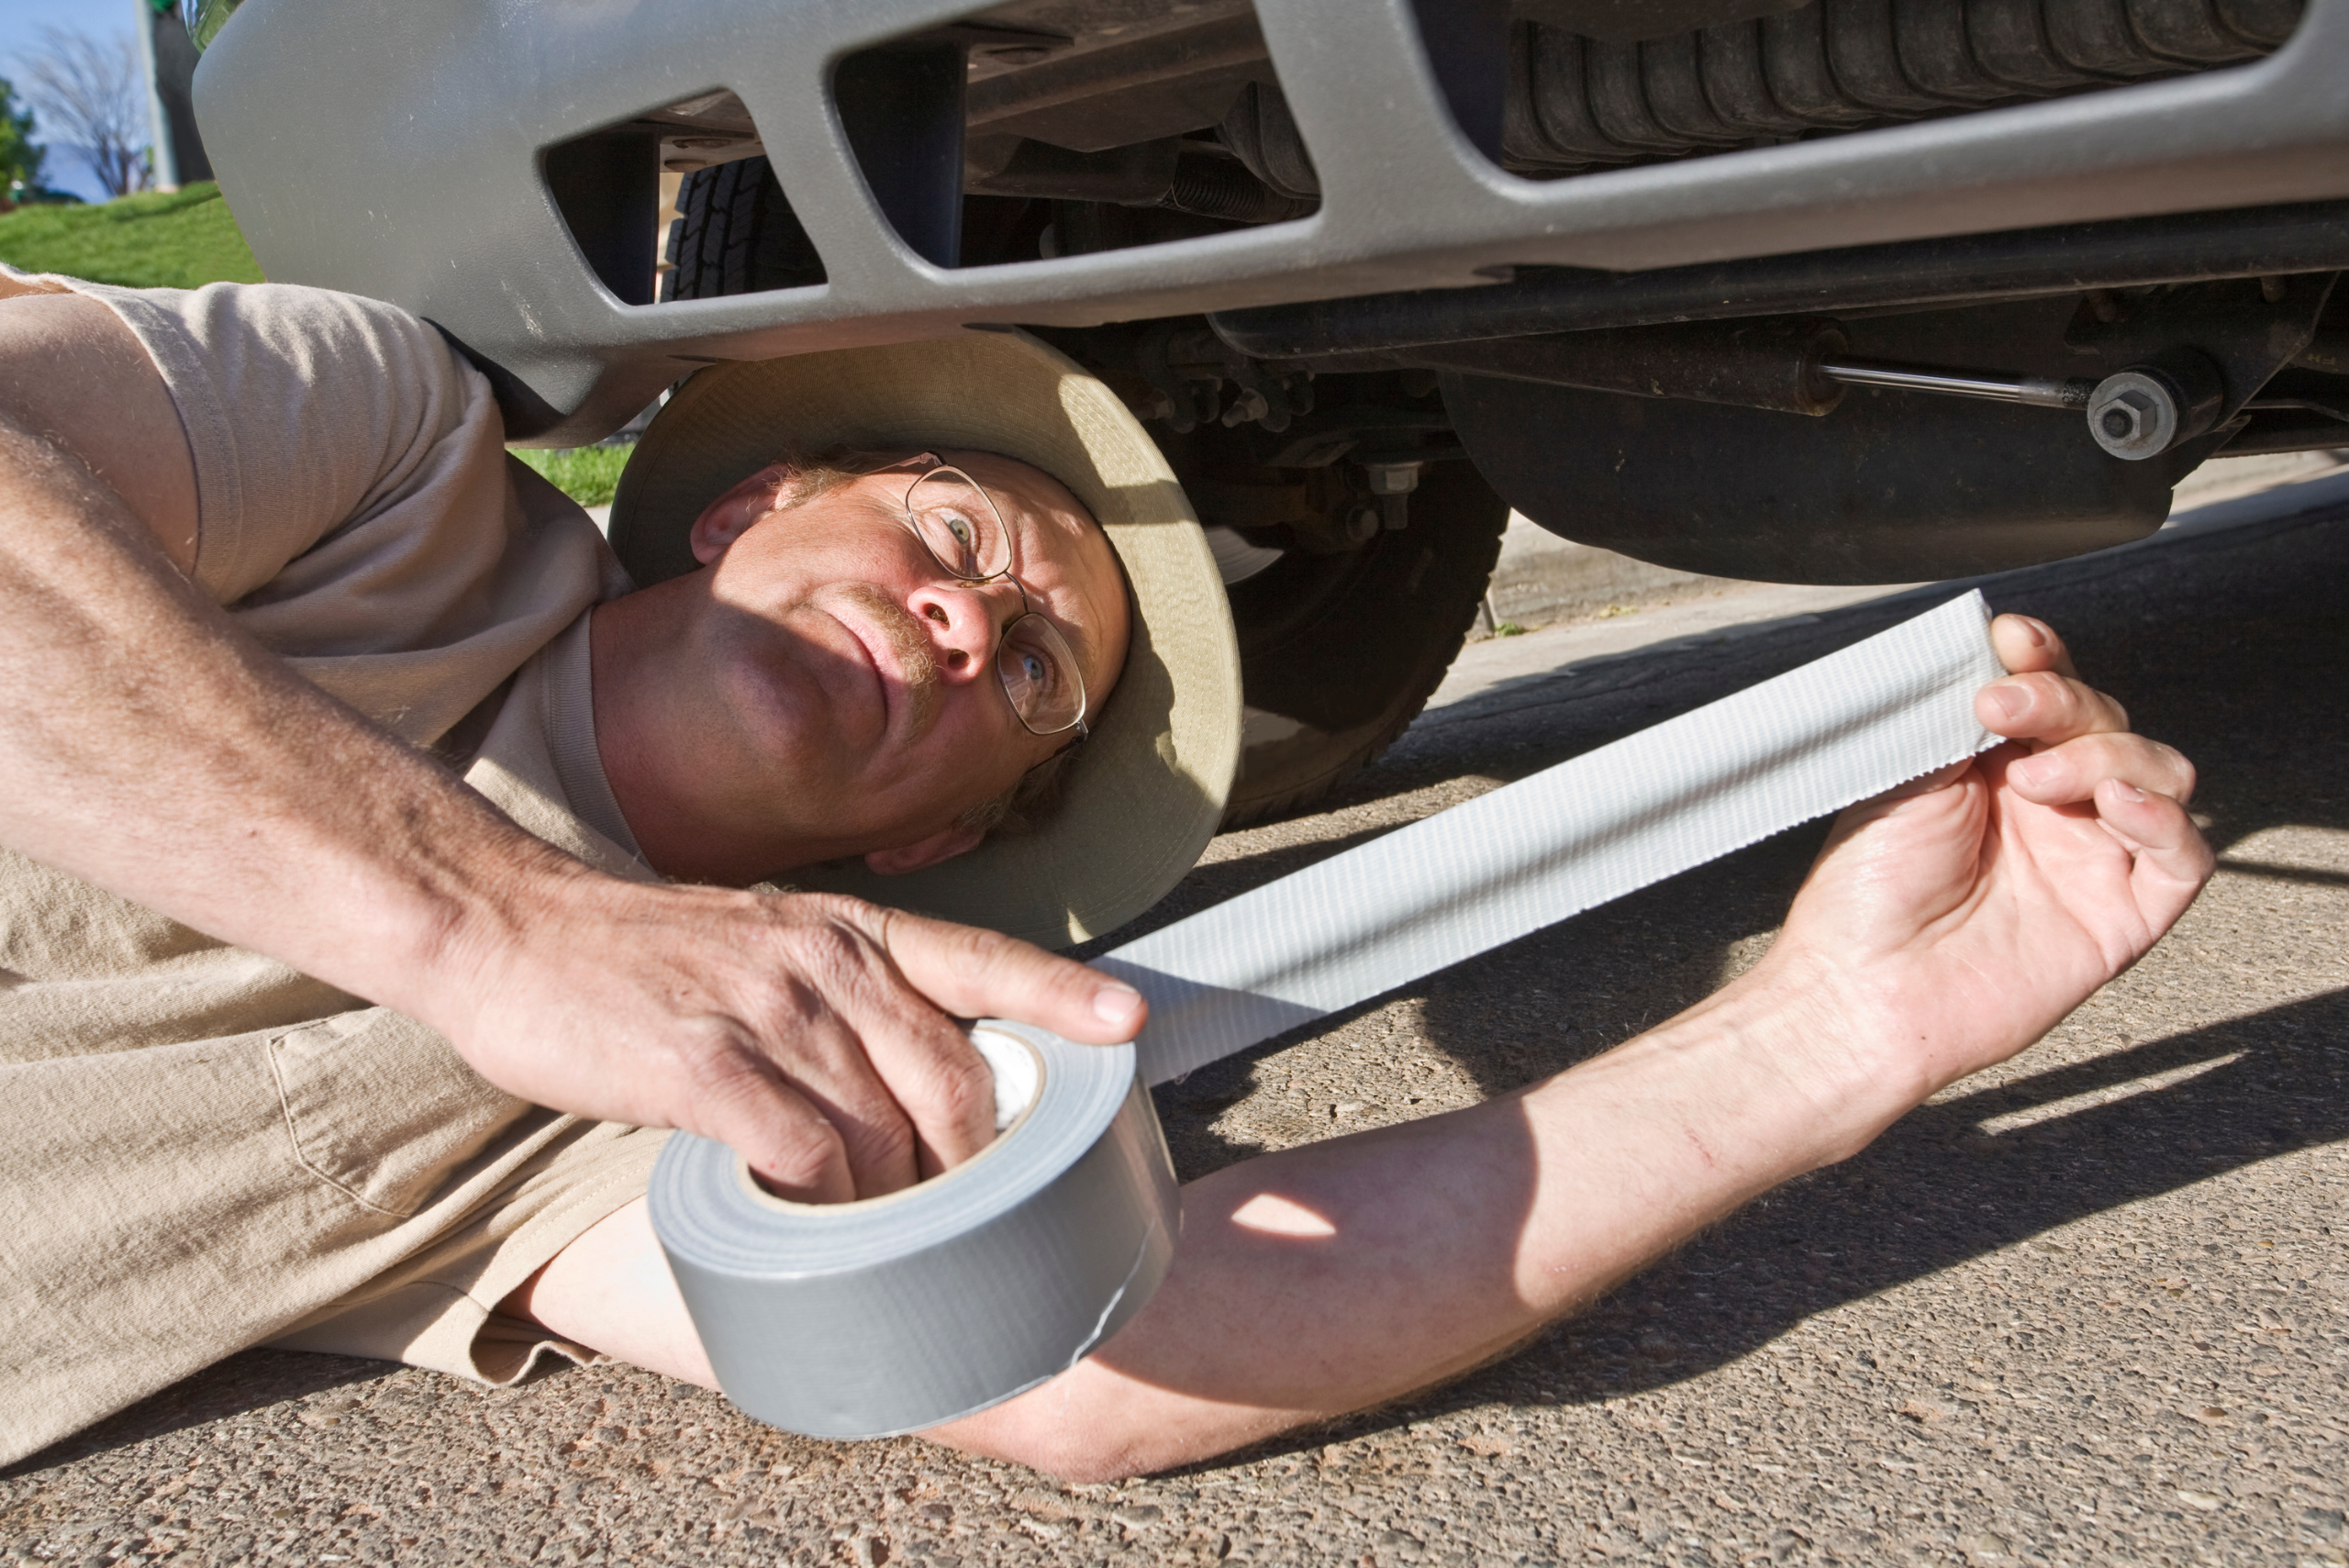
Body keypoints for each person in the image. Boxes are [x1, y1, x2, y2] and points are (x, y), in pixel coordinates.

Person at [0, 267, 2211, 1481]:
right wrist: (484, 916)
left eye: (1029, 667)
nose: (970, 619)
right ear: (746, 505)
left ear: (935, 833)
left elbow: (1098, 1356)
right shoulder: (382, 458)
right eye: (951, 536)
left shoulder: (717, 1086)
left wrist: (1846, 1021)